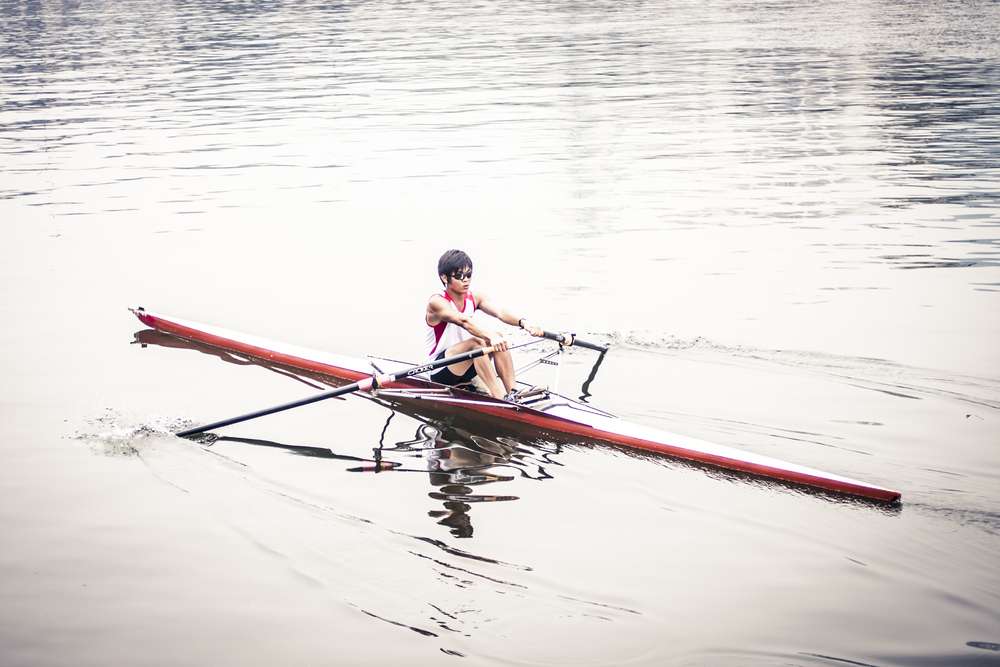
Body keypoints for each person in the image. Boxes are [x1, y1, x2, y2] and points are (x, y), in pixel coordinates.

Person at [424, 249, 543, 400]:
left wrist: (524, 323)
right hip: (440, 370)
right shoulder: (436, 302)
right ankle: (500, 398)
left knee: (498, 338)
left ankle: (513, 392)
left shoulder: (475, 297)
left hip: (467, 365)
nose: (465, 280)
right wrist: (491, 337)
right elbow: (464, 321)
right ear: (444, 277)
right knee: (479, 343)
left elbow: (500, 312)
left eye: (468, 275)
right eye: (459, 276)